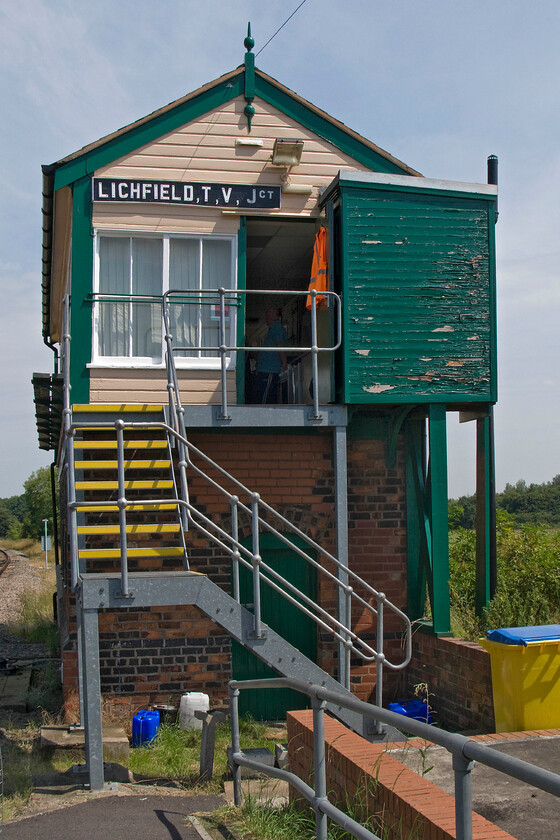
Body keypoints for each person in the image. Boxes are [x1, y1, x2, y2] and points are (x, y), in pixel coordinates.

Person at [256, 305, 288, 404]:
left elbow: (279, 345)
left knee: (266, 397)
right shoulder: (272, 328)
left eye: (270, 313)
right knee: (264, 395)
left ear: (276, 316)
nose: (267, 316)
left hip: (269, 369)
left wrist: (284, 362)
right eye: (267, 313)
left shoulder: (277, 327)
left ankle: (263, 414)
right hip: (265, 369)